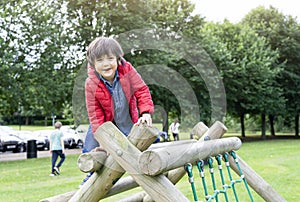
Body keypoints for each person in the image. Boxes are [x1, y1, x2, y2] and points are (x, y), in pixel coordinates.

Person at [80, 36, 154, 186]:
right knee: (91, 150)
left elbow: (142, 90)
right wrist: (104, 139)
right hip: (104, 125)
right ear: (93, 64)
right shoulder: (90, 84)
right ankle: (89, 181)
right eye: (100, 60)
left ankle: (152, 174)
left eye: (110, 58)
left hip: (126, 121)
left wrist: (145, 113)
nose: (106, 64)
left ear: (118, 59)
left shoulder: (127, 71)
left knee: (136, 151)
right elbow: (95, 115)